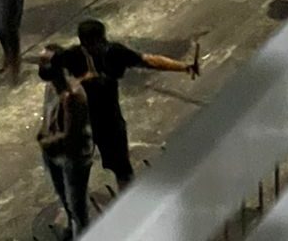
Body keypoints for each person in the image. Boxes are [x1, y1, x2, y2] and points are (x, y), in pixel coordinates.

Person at [76, 19, 200, 191]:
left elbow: (148, 61)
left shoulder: (111, 53)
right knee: (119, 171)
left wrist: (182, 67)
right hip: (101, 125)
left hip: (94, 124)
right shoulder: (102, 55)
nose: (103, 44)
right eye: (99, 41)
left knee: (118, 169)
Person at [37, 44, 93, 237]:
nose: (42, 67)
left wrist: (47, 142)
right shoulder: (51, 87)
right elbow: (48, 114)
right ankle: (72, 225)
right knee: (63, 195)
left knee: (77, 206)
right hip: (55, 152)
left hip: (73, 157)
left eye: (46, 62)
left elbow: (71, 135)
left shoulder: (73, 95)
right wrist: (44, 134)